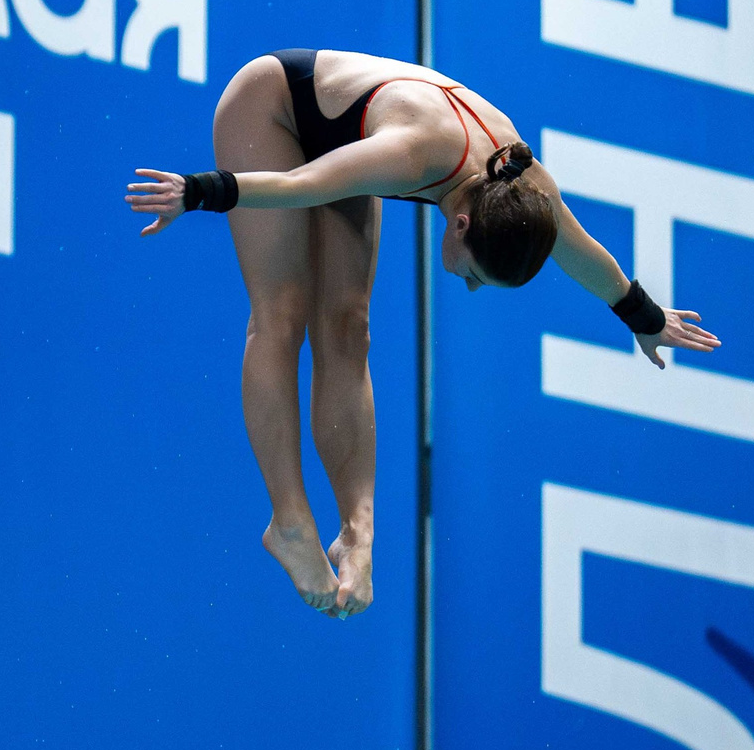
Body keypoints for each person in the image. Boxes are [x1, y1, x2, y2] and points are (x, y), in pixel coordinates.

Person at [126, 48, 720, 618]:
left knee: (350, 328)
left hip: (353, 141)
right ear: (460, 225)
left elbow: (582, 252)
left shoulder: (523, 189)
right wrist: (198, 192)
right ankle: (289, 521)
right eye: (476, 275)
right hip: (277, 105)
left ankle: (358, 532)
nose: (470, 287)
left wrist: (646, 319)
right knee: (281, 313)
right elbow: (300, 185)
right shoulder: (412, 155)